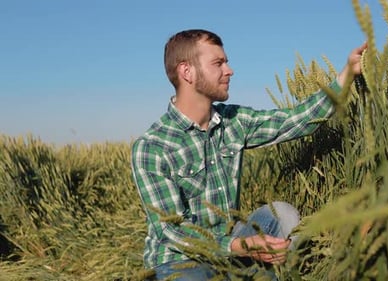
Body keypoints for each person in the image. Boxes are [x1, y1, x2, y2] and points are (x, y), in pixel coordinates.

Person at [131, 29, 367, 280]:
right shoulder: (152, 146)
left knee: (283, 214)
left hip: (232, 247)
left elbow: (297, 120)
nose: (229, 70)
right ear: (186, 71)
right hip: (181, 261)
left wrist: (347, 74)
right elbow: (171, 231)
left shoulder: (234, 120)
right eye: (218, 63)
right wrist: (242, 247)